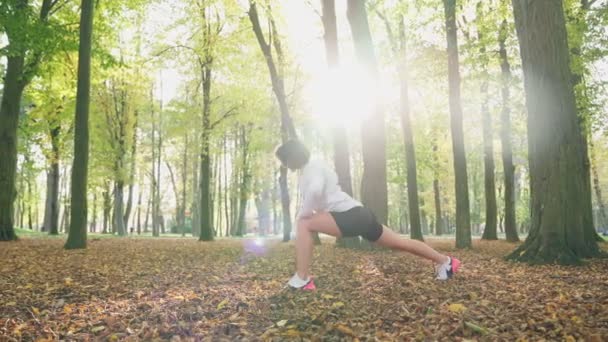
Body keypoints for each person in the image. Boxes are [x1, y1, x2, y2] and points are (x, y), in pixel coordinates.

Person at [275, 139, 461, 290]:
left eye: (285, 160)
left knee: (303, 223)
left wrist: (303, 214)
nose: (285, 164)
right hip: (361, 214)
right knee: (399, 242)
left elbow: (315, 190)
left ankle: (302, 279)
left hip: (351, 215)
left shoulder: (311, 168)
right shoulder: (312, 167)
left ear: (292, 156)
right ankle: (446, 261)